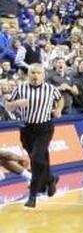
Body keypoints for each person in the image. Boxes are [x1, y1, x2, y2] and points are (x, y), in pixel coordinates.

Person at [4, 64, 64, 208]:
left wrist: (58, 109)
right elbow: (7, 105)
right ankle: (50, 179)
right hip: (27, 128)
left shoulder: (50, 89)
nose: (35, 75)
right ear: (28, 74)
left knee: (37, 158)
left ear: (43, 75)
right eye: (32, 72)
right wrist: (17, 103)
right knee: (38, 159)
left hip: (44, 127)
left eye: (38, 72)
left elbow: (60, 99)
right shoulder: (20, 88)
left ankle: (33, 195)